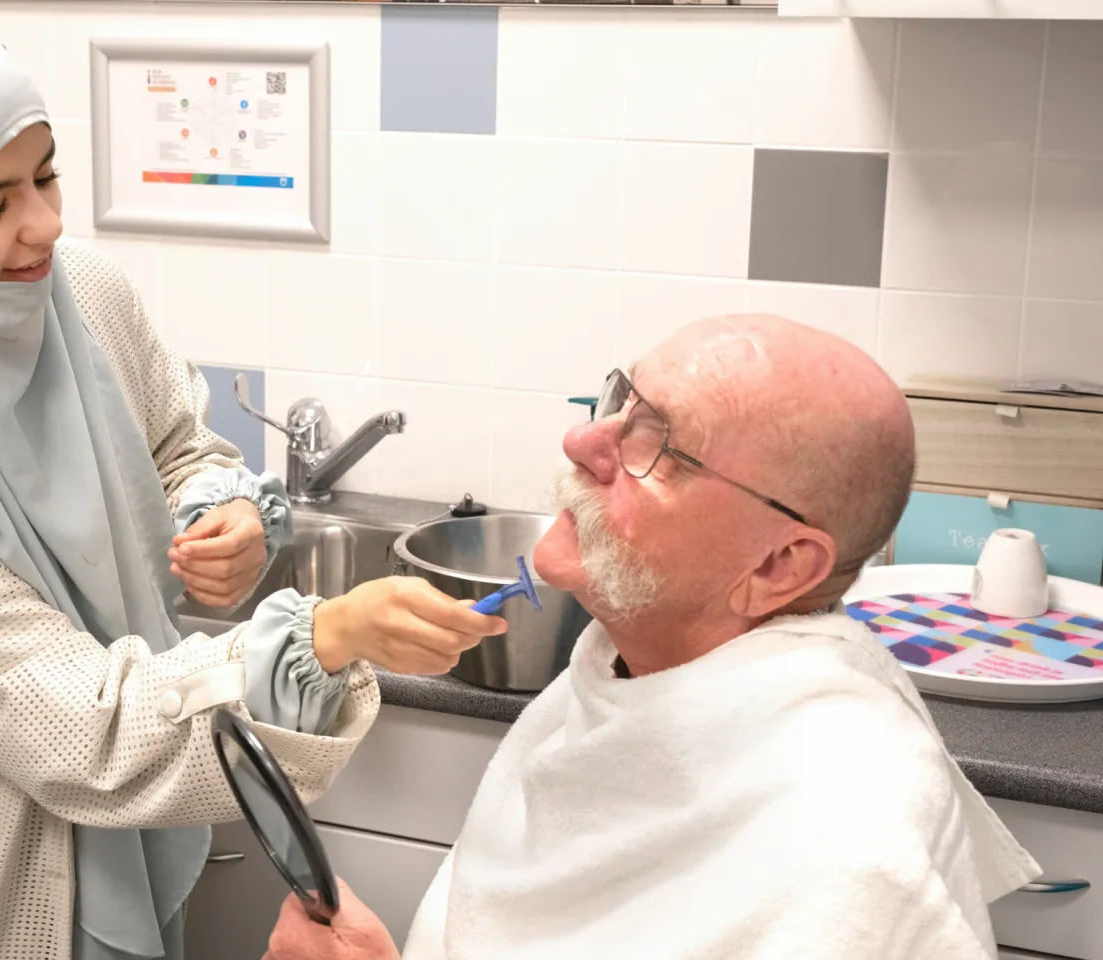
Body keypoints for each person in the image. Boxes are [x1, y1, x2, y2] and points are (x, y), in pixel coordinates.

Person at [0, 14, 506, 960]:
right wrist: (322, 636)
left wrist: (221, 514)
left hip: (104, 824)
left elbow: (180, 444)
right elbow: (79, 723)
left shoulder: (80, 294)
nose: (44, 224)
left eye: (46, 175)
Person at [262, 315, 1042, 960]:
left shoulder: (849, 833)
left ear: (777, 565)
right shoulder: (621, 675)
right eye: (620, 404)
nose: (582, 443)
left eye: (656, 444)